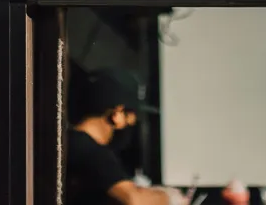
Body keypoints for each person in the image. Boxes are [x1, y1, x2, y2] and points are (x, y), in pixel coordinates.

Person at [67, 69, 190, 205]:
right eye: (132, 118)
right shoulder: (92, 152)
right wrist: (170, 197)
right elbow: (135, 200)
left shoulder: (70, 140)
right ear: (117, 115)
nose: (132, 124)